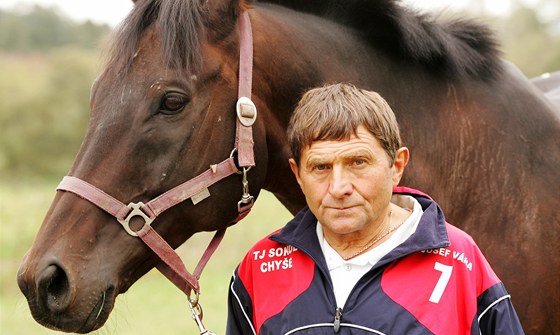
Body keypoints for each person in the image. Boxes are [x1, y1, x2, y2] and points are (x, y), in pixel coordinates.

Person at [226, 83, 524, 334]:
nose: (339, 187)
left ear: (397, 166)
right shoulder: (260, 266)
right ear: (298, 175)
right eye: (320, 167)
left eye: (358, 162)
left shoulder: (460, 262)